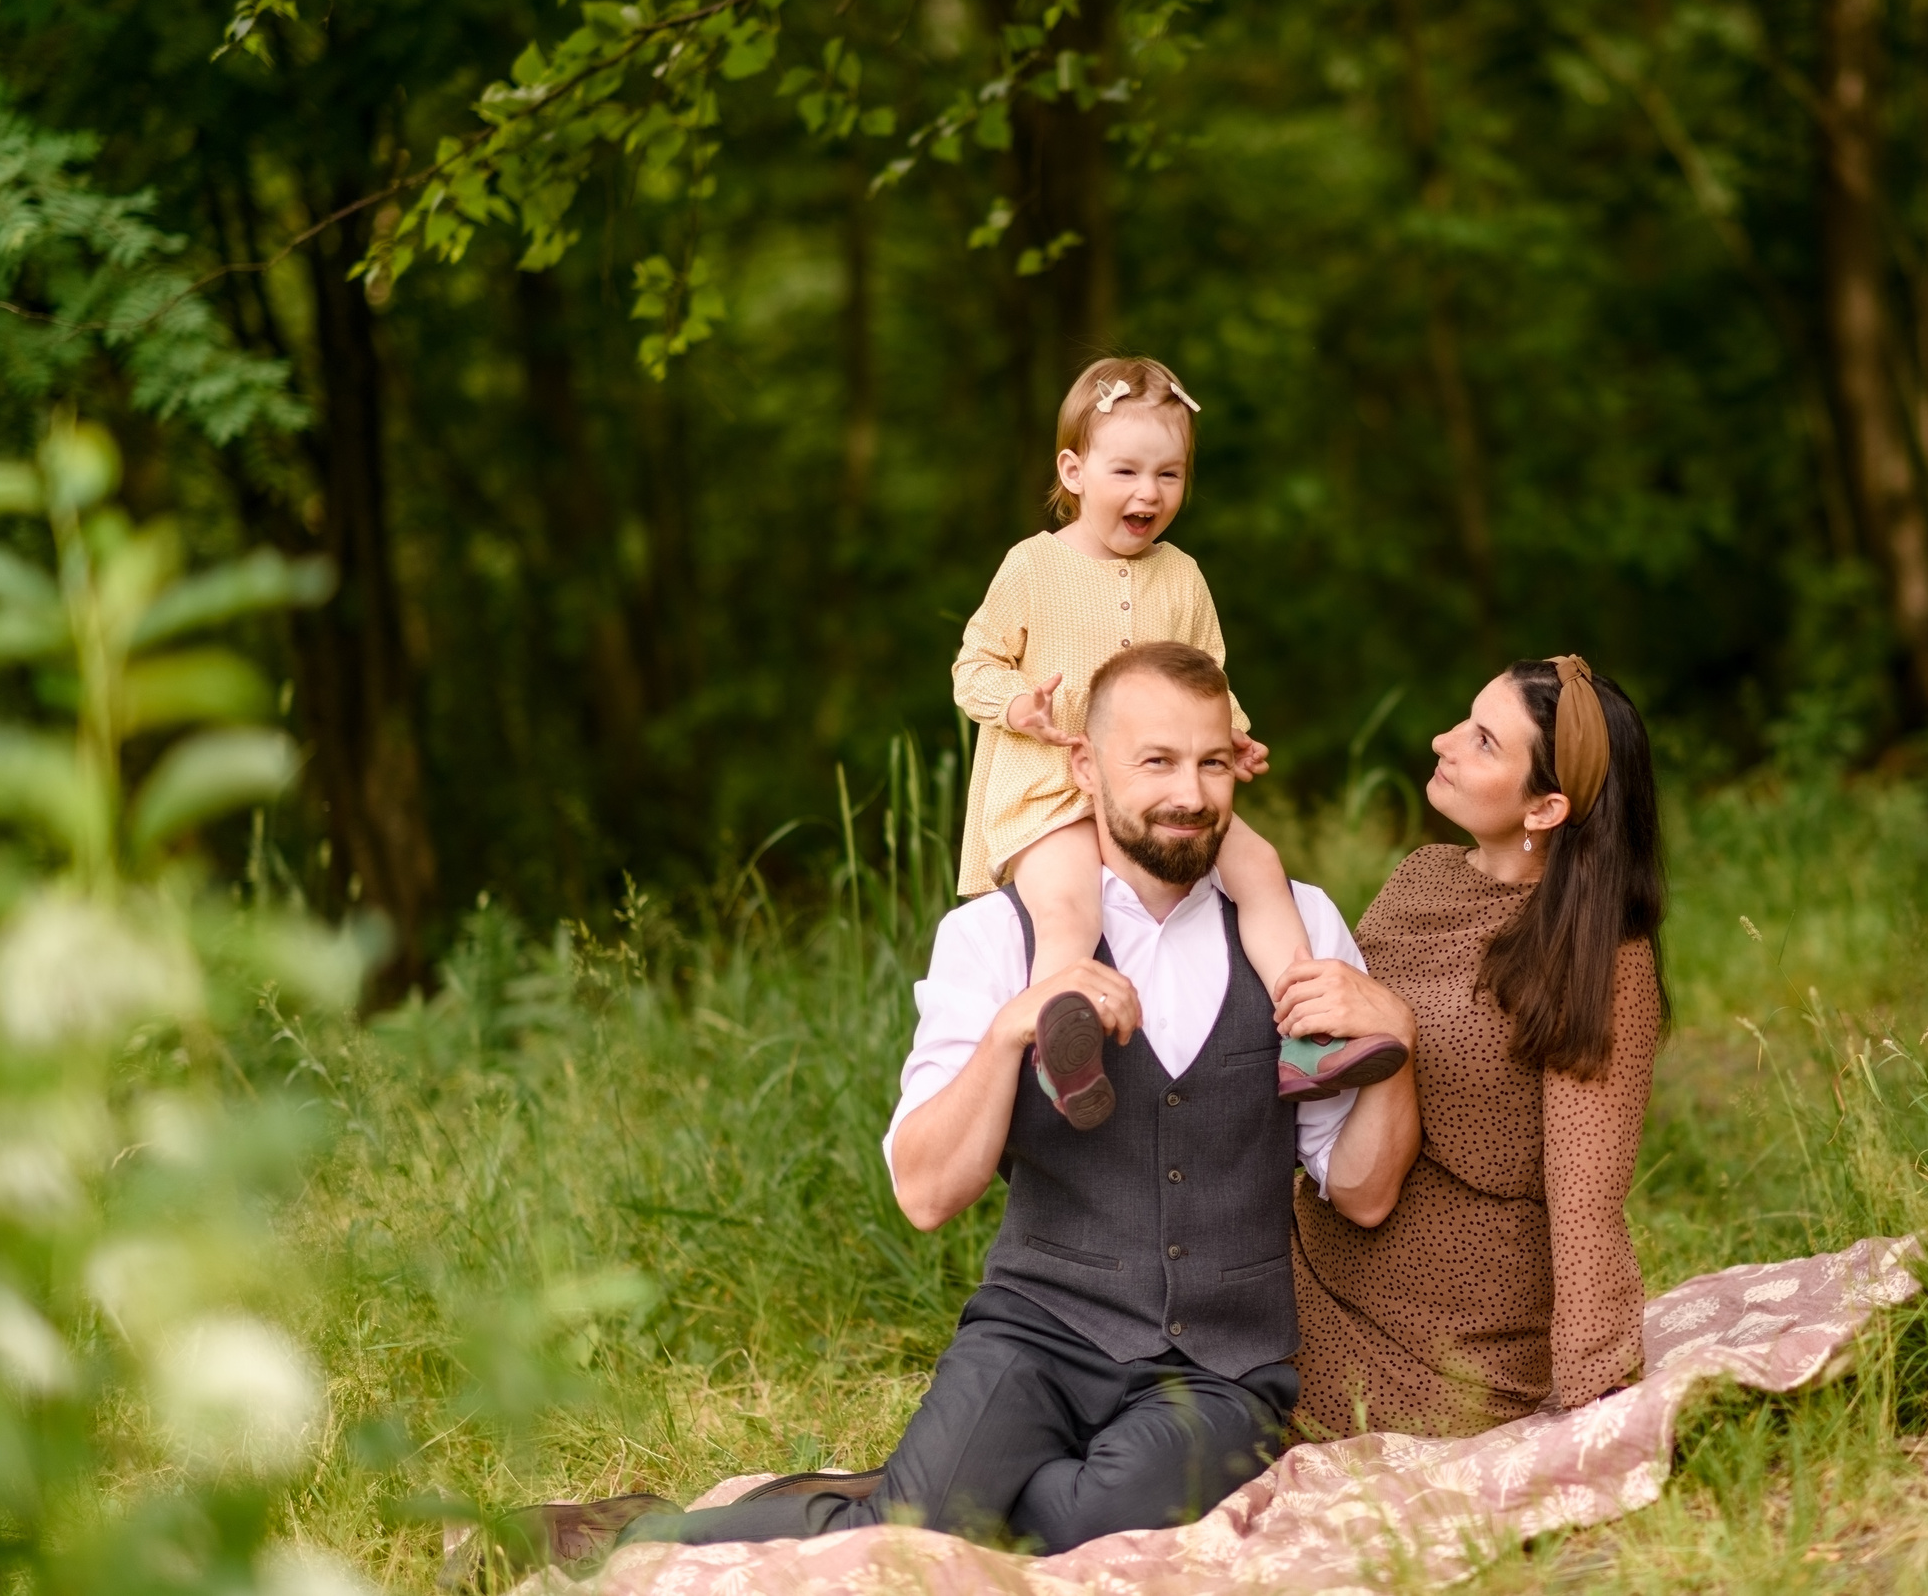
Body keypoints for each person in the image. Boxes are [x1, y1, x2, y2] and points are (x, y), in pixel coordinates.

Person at [560, 643, 1425, 1561]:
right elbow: (926, 1193)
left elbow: (1365, 1194)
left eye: (1213, 762)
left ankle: (933, 1494)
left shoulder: (1300, 927)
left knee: (1095, 1525)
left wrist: (1396, 1044)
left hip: (1220, 1368)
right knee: (908, 1540)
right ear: (1086, 766)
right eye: (1157, 761)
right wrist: (1014, 1027)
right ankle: (625, 1535)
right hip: (1037, 1331)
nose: (1191, 792)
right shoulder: (995, 935)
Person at [951, 357, 1406, 1125]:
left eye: (1169, 474)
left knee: (1260, 867)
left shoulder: (1183, 576)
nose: (1149, 492)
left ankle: (1308, 1037)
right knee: (1068, 907)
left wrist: (1232, 735)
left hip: (1164, 791)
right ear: (1073, 471)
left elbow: (1209, 677)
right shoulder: (1033, 566)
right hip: (1052, 790)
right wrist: (1017, 704)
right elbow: (975, 664)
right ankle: (1063, 1052)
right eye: (1126, 471)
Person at [1292, 657, 1668, 1438]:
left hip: (1439, 1349)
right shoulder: (1421, 876)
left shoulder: (1598, 958)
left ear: (1546, 807)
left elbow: (1588, 1204)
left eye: (1484, 741)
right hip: (1310, 1251)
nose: (1444, 741)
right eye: (1466, 720)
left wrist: (1601, 1405)